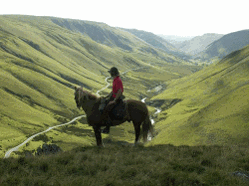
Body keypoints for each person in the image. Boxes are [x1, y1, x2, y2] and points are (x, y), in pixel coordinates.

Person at [100, 67, 130, 134]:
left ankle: (107, 128)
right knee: (103, 103)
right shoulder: (115, 79)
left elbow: (120, 91)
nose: (110, 74)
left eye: (110, 72)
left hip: (117, 98)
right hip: (113, 96)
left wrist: (115, 100)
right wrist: (107, 96)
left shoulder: (118, 80)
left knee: (108, 108)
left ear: (113, 73)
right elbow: (113, 91)